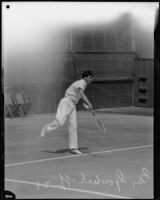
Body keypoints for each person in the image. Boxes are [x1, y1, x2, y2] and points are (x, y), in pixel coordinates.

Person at [40, 70, 94, 154]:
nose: (92, 79)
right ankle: (47, 127)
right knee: (60, 122)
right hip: (66, 102)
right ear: (85, 77)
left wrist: (86, 105)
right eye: (90, 77)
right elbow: (82, 94)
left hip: (72, 105)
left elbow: (78, 96)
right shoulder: (80, 83)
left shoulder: (84, 85)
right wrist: (89, 103)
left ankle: (73, 148)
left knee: (73, 126)